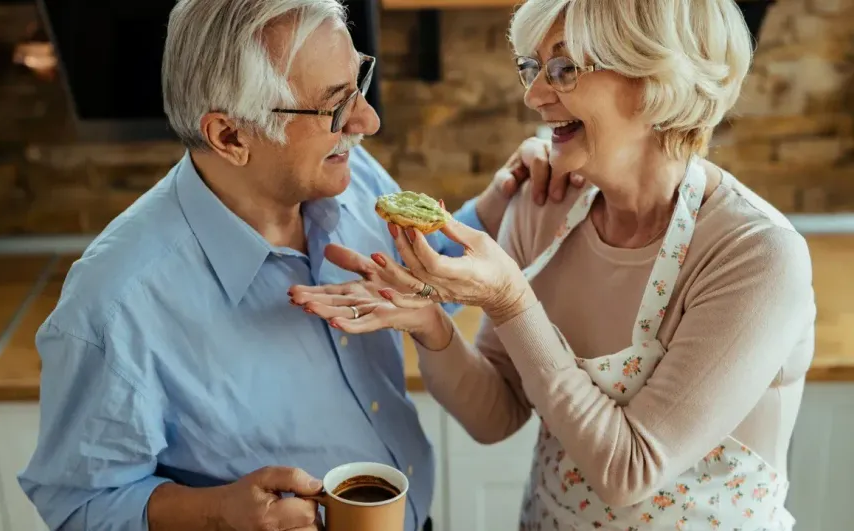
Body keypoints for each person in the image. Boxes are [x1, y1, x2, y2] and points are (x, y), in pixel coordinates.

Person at [15, 1, 579, 530]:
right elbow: (78, 502)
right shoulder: (114, 304)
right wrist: (219, 512)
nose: (367, 120)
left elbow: (419, 288)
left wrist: (506, 194)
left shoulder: (347, 174)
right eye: (336, 104)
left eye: (358, 81)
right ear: (230, 136)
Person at [290, 0, 816, 529]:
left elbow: (630, 470)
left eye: (563, 69)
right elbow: (496, 413)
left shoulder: (756, 256)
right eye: (532, 67)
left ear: (655, 79)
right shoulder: (545, 206)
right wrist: (431, 325)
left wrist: (510, 301)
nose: (534, 95)